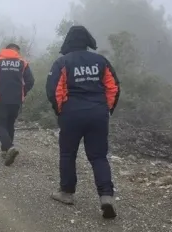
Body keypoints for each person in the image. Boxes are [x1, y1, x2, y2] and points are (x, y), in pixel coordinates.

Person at [45, 25, 121, 219]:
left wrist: (61, 111)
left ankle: (66, 192)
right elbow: (113, 87)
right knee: (99, 156)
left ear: (68, 41)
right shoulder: (101, 61)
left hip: (71, 114)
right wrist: (106, 110)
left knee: (68, 153)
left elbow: (54, 91)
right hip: (98, 114)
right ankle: (106, 196)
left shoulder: (62, 62)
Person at [0, 43, 35, 166]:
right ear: (16, 51)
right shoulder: (23, 63)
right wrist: (23, 92)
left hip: (0, 99)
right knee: (10, 124)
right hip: (16, 100)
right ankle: (5, 150)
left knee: (0, 124)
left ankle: (9, 147)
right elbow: (30, 81)